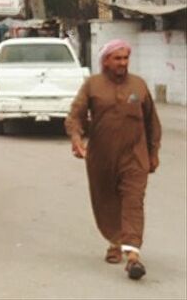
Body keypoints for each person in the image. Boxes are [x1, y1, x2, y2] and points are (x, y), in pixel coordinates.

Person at [65, 39, 162, 280]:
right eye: (117, 58)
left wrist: (153, 152)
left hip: (134, 156)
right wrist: (76, 138)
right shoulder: (93, 85)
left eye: (125, 58)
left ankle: (132, 255)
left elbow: (152, 122)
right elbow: (75, 116)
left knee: (133, 200)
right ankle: (115, 241)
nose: (122, 63)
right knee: (106, 200)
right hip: (102, 157)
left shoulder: (138, 86)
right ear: (106, 60)